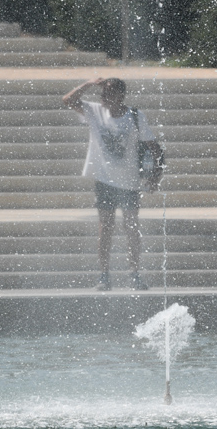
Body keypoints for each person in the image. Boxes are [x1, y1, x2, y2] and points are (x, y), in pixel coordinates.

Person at [63, 77, 164, 291]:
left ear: (120, 96)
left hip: (129, 182)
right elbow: (68, 100)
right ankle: (104, 276)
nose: (102, 98)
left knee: (131, 228)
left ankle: (135, 275)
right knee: (105, 229)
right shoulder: (95, 111)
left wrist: (156, 175)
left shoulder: (135, 116)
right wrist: (89, 83)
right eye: (102, 94)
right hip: (104, 180)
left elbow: (155, 148)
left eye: (107, 94)